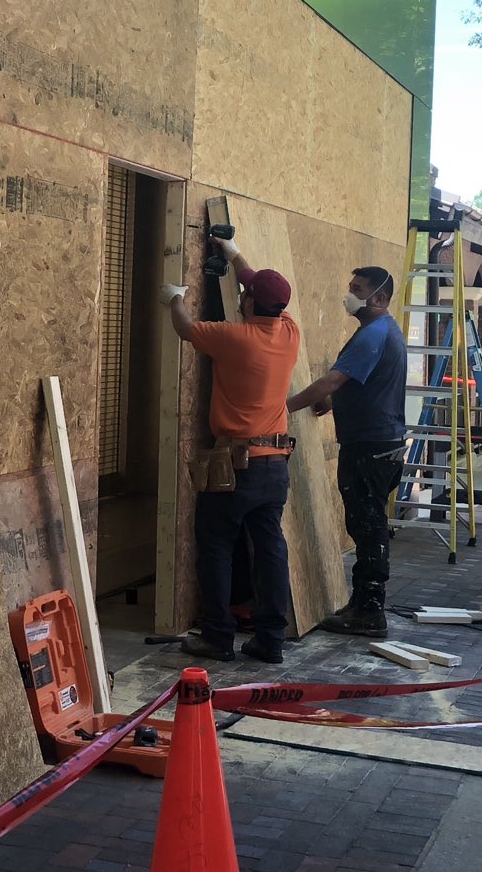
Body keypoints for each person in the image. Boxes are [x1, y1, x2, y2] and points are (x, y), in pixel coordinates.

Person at [162, 237, 300, 664]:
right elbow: (256, 284)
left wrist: (174, 298)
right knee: (270, 548)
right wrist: (233, 250)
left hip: (236, 467)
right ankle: (271, 639)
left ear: (251, 303)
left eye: (246, 293)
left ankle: (218, 637)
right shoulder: (289, 332)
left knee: (216, 546)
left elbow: (185, 328)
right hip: (275, 464)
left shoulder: (234, 337)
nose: (241, 294)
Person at [286, 265, 406, 638]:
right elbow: (360, 384)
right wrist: (330, 403)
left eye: (358, 289)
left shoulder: (373, 334)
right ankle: (363, 604)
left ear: (380, 298)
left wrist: (282, 408)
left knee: (368, 527)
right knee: (366, 524)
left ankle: (369, 611)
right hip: (379, 443)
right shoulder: (381, 331)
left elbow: (333, 380)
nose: (350, 295)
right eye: (350, 287)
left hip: (370, 447)